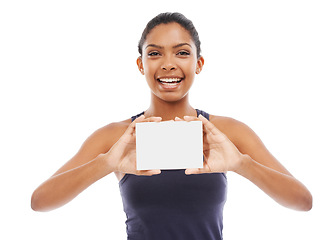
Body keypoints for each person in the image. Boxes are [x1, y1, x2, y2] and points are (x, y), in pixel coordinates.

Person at [31, 12, 312, 239]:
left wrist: (242, 164)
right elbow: (40, 201)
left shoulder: (227, 132)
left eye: (181, 53)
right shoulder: (117, 137)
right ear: (141, 64)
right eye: (154, 54)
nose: (167, 64)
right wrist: (105, 163)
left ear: (198, 63)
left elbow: (302, 201)